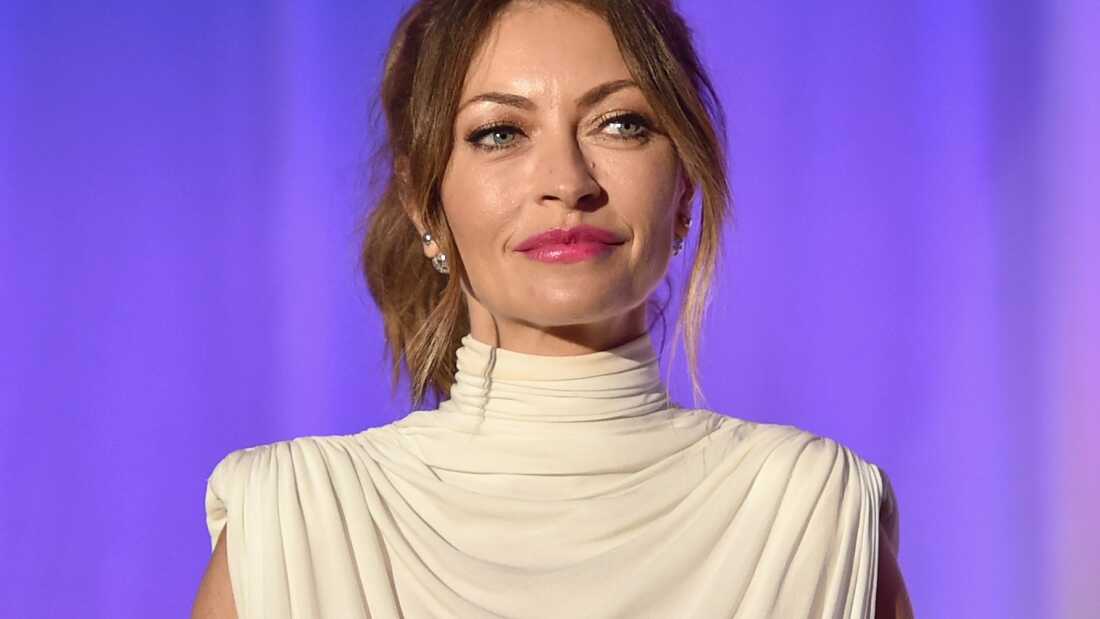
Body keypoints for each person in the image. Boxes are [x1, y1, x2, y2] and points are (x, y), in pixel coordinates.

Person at [193, 1, 914, 617]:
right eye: (500, 133)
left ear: (686, 189)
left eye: (621, 123)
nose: (566, 182)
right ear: (424, 204)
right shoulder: (290, 523)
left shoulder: (817, 514)